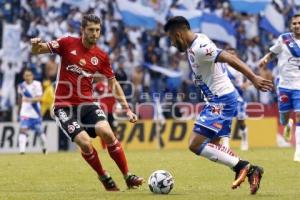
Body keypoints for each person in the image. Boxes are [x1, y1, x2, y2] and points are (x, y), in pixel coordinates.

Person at [30, 14, 144, 191]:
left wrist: (127, 109)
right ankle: (104, 176)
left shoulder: (102, 56)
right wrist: (35, 45)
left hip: (87, 104)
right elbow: (39, 50)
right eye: (91, 30)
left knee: (106, 132)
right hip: (63, 106)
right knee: (84, 142)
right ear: (82, 30)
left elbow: (113, 84)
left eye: (98, 30)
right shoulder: (67, 43)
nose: (95, 34)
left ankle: (128, 176)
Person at [164, 16, 273, 195]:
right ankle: (252, 170)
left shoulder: (200, 47)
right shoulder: (197, 41)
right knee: (216, 146)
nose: (172, 44)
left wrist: (253, 78)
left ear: (178, 34)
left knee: (194, 144)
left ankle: (243, 166)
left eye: (172, 39)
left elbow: (229, 57)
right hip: (219, 99)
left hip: (221, 100)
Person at [259, 14, 300, 162]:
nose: (297, 25)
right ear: (291, 26)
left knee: (299, 115)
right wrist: (265, 59)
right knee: (283, 118)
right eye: (294, 23)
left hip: (299, 86)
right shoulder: (284, 39)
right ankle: (287, 124)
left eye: (299, 23)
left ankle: (298, 151)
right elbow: (273, 53)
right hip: (284, 85)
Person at [223, 48, 249, 151]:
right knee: (226, 120)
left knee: (241, 121)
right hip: (225, 96)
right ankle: (225, 145)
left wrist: (246, 84)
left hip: (238, 96)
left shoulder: (240, 66)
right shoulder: (222, 67)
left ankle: (244, 140)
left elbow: (250, 78)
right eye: (229, 54)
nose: (231, 56)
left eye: (233, 54)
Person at [17, 68, 47, 154]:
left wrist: (29, 100)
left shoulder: (37, 84)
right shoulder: (21, 86)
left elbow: (40, 98)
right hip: (25, 113)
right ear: (23, 76)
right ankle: (22, 151)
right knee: (23, 130)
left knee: (40, 132)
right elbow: (19, 99)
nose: (27, 77)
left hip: (36, 113)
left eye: (29, 75)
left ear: (32, 76)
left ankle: (44, 148)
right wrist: (19, 110)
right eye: (26, 75)